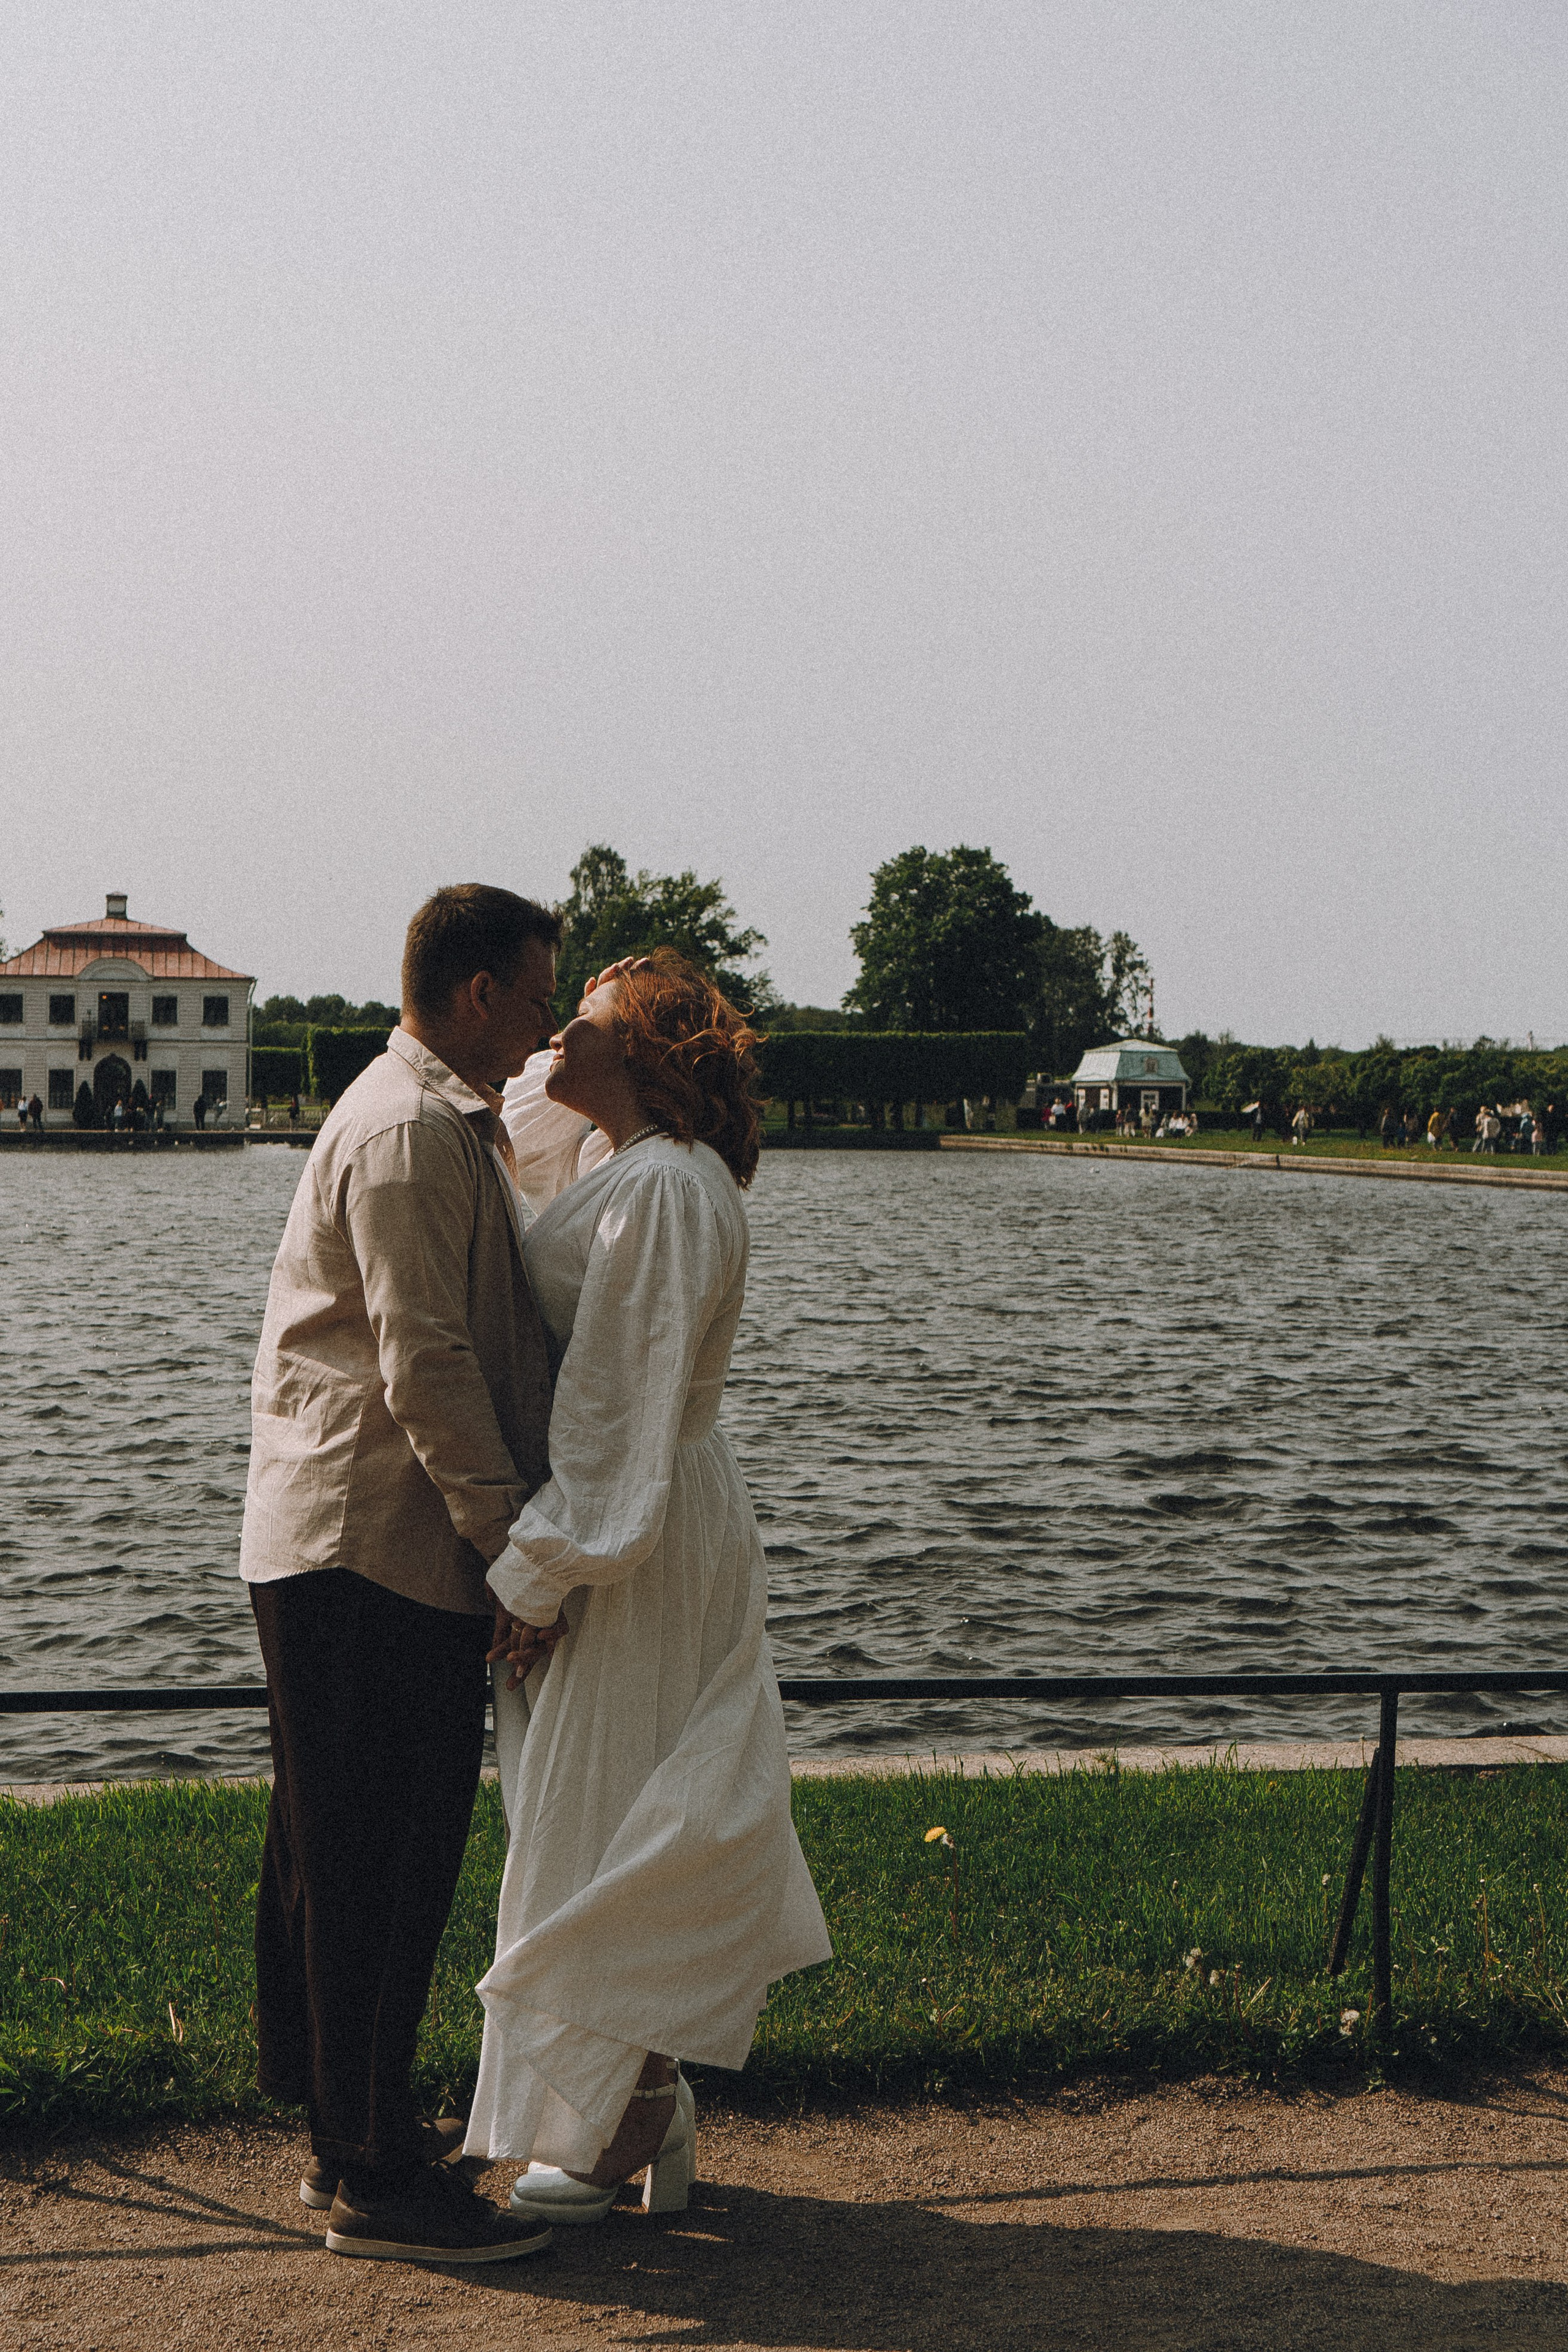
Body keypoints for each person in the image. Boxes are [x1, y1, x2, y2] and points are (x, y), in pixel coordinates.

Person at [472, 949, 831, 2223]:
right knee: (584, 1802)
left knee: (608, 1808)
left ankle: (616, 2118)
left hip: (641, 1525)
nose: (550, 1034)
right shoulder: (611, 1165)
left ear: (646, 1052)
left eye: (583, 1020)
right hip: (637, 1517)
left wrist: (541, 1570)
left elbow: (617, 1398)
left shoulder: (667, 1190)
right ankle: (639, 2102)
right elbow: (514, 1130)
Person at [240, 884, 563, 2267]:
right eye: (539, 992)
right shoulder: (416, 1130)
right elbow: (424, 1359)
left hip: (350, 1539)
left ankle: (349, 2135)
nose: (549, 1022)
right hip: (377, 1545)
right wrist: (511, 1547)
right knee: (381, 1861)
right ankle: (373, 2172)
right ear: (478, 992)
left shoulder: (412, 1114)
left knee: (341, 1856)